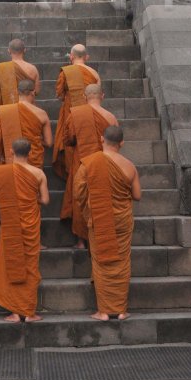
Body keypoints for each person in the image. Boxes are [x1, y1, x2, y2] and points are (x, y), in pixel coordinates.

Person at [73, 125, 141, 321]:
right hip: (122, 219)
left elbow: (78, 193)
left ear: (102, 140)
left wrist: (90, 206)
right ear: (122, 143)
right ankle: (120, 310)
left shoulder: (89, 163)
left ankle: (103, 311)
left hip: (100, 217)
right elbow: (137, 195)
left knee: (102, 262)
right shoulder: (129, 166)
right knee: (121, 262)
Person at [0, 138, 49, 322]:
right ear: (30, 153)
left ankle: (16, 312)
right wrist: (31, 198)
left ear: (12, 152)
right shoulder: (38, 173)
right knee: (29, 265)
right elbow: (45, 200)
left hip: (10, 223)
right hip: (29, 224)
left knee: (12, 262)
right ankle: (28, 312)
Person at [55, 83, 116, 248]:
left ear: (84, 96)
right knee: (102, 199)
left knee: (80, 198)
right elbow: (117, 142)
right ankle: (103, 238)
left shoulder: (76, 114)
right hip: (103, 163)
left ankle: (81, 241)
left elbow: (68, 140)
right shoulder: (110, 117)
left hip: (81, 163)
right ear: (102, 96)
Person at [0, 77, 52, 168]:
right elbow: (49, 143)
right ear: (33, 93)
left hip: (11, 156)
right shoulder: (42, 114)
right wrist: (33, 139)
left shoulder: (5, 111)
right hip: (33, 158)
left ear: (17, 92)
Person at [53, 44, 100, 151]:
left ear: (71, 56)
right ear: (86, 57)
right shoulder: (94, 74)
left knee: (71, 146)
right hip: (89, 115)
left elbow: (60, 95)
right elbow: (98, 96)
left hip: (70, 114)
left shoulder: (66, 72)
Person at [0, 38, 40, 107]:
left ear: (9, 51)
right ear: (24, 50)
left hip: (10, 109)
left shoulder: (3, 68)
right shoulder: (33, 68)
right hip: (28, 107)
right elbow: (37, 91)